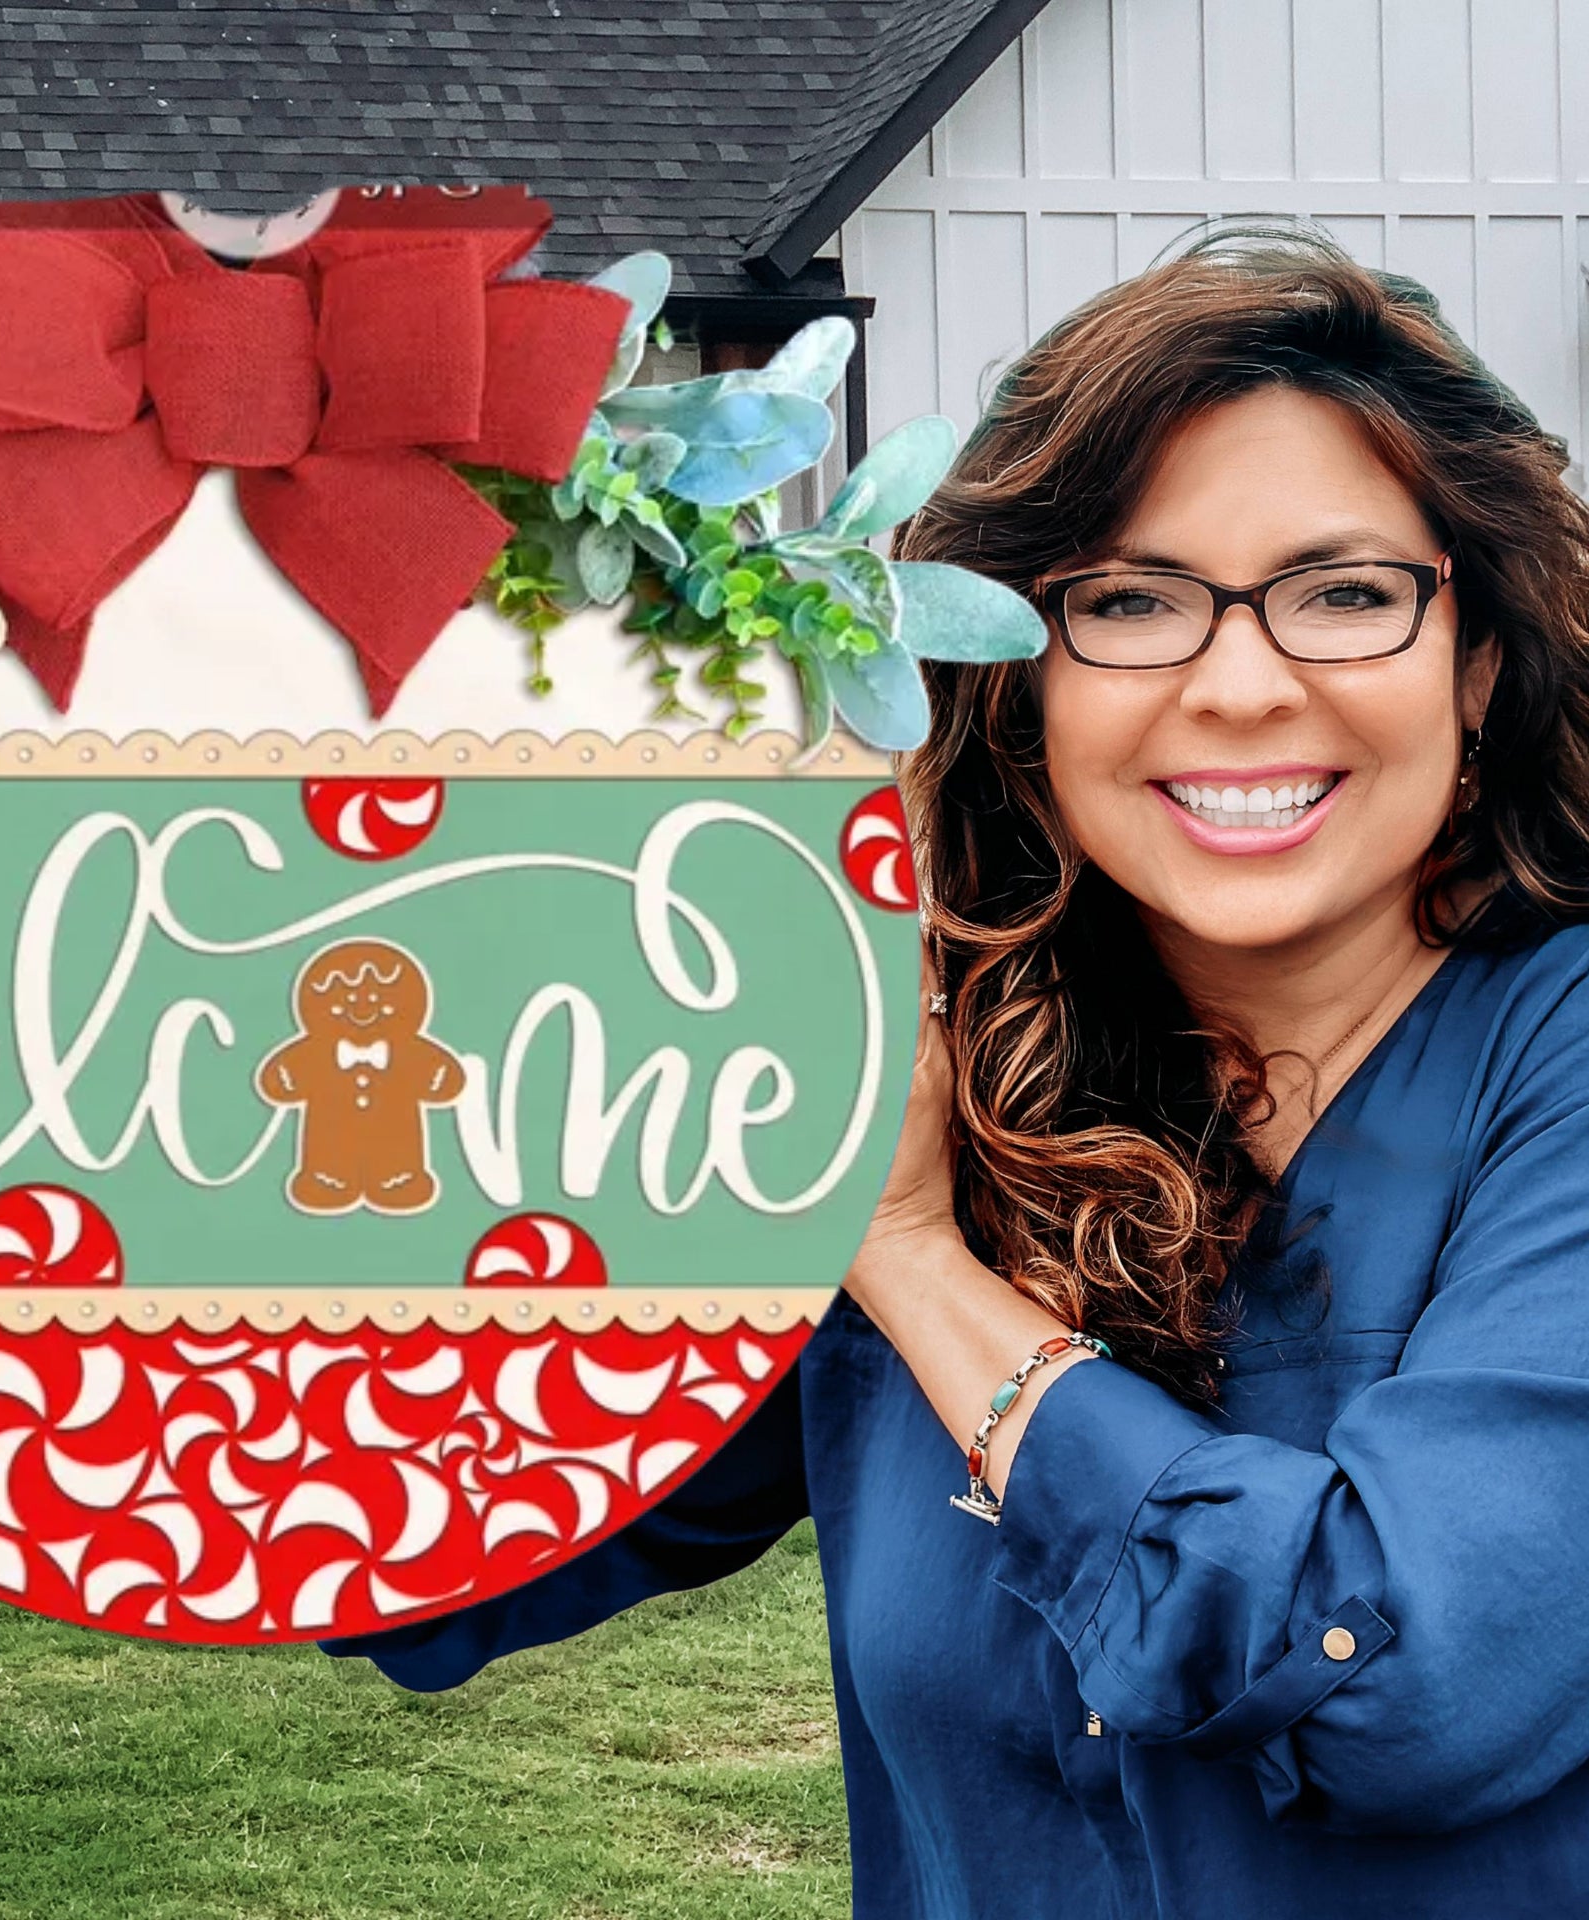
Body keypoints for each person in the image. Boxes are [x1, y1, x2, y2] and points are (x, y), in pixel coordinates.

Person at [325, 227, 1589, 1917]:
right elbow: (419, 1550)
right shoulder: (933, 1071)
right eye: (1128, 602)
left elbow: (1401, 1685)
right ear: (1022, 684)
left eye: (1345, 592)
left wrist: (917, 1264)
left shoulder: (1552, 1070)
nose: (1237, 684)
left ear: (1479, 662)